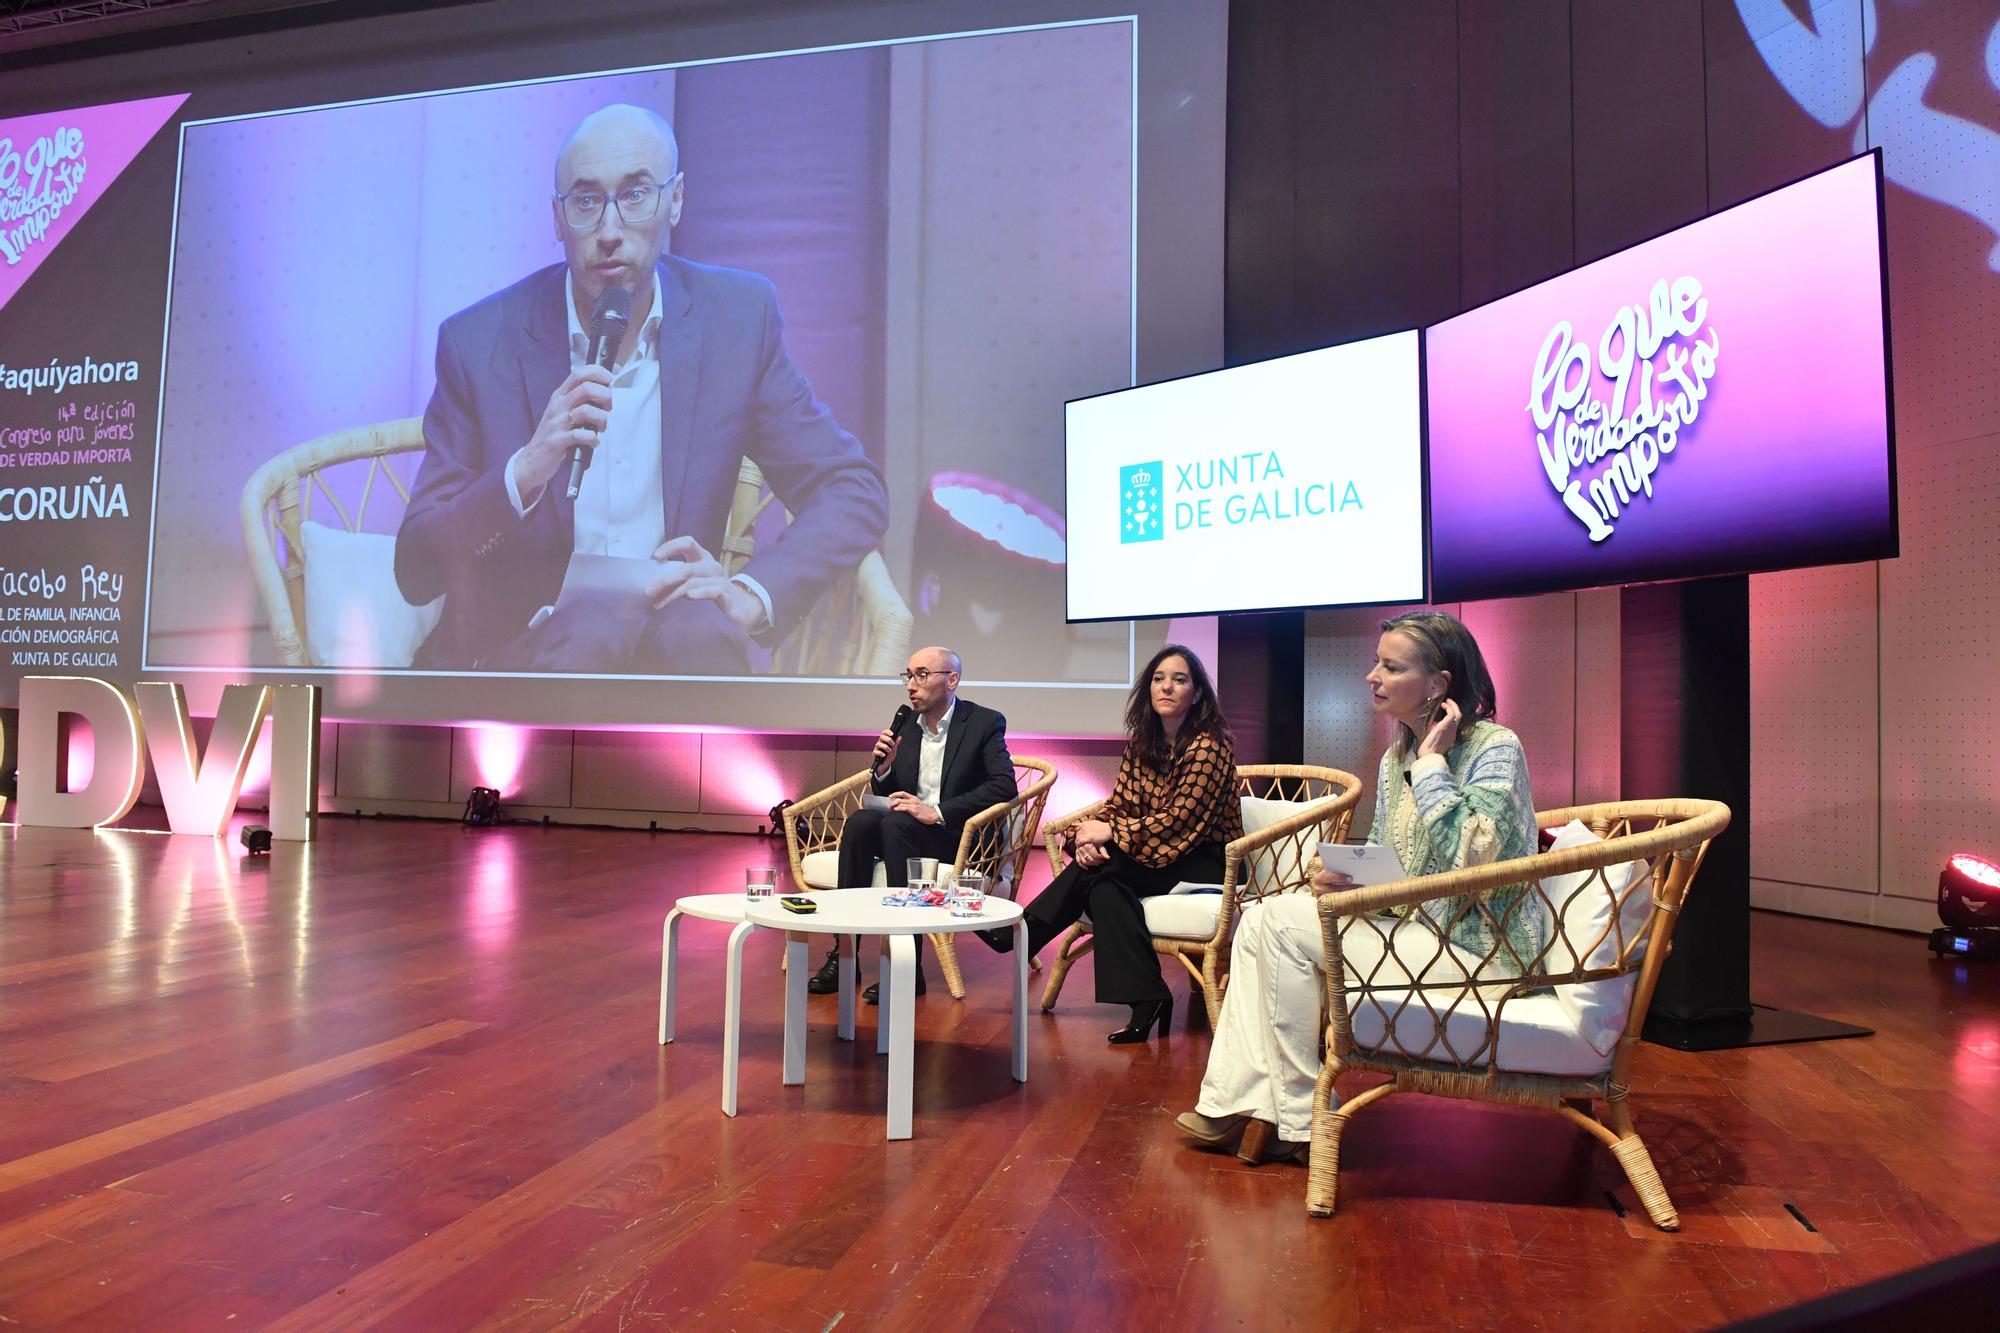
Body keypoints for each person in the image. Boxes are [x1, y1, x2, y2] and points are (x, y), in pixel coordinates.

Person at [394, 103, 889, 673]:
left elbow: (851, 489)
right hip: (527, 657)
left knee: (701, 631)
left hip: (678, 640)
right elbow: (416, 569)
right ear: (557, 219)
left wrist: (753, 593)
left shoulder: (735, 320)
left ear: (674, 200)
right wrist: (526, 470)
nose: (609, 231)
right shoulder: (479, 343)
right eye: (585, 202)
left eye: (635, 196)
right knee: (589, 631)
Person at [1176, 611, 1543, 1160]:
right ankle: (1257, 1109)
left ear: (1438, 685)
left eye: (1390, 667)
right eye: (1377, 663)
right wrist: (1347, 877)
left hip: (1482, 953)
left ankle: (1290, 1121)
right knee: (1262, 919)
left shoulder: (1495, 747)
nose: (1372, 676)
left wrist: (1433, 764)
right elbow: (1391, 859)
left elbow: (1473, 854)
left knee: (1275, 921)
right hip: (1415, 932)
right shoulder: (1396, 756)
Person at [979, 643, 1243, 1044]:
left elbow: (1182, 820)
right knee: (1103, 884)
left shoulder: (1210, 746)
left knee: (1104, 867)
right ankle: (1148, 998)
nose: (1166, 687)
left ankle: (1021, 932)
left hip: (1206, 859)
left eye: (1179, 679)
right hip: (1150, 854)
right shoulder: (1142, 742)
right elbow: (1119, 806)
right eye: (1158, 679)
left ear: (1198, 693)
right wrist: (1086, 836)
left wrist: (1110, 834)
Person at [806, 646, 1016, 1003]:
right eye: (908, 675)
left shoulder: (983, 722)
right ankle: (844, 958)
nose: (911, 686)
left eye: (922, 675)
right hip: (907, 829)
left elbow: (1003, 784)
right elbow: (892, 792)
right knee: (859, 824)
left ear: (952, 680)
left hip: (957, 836)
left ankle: (907, 966)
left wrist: (938, 812)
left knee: (896, 826)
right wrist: (884, 770)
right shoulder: (906, 725)